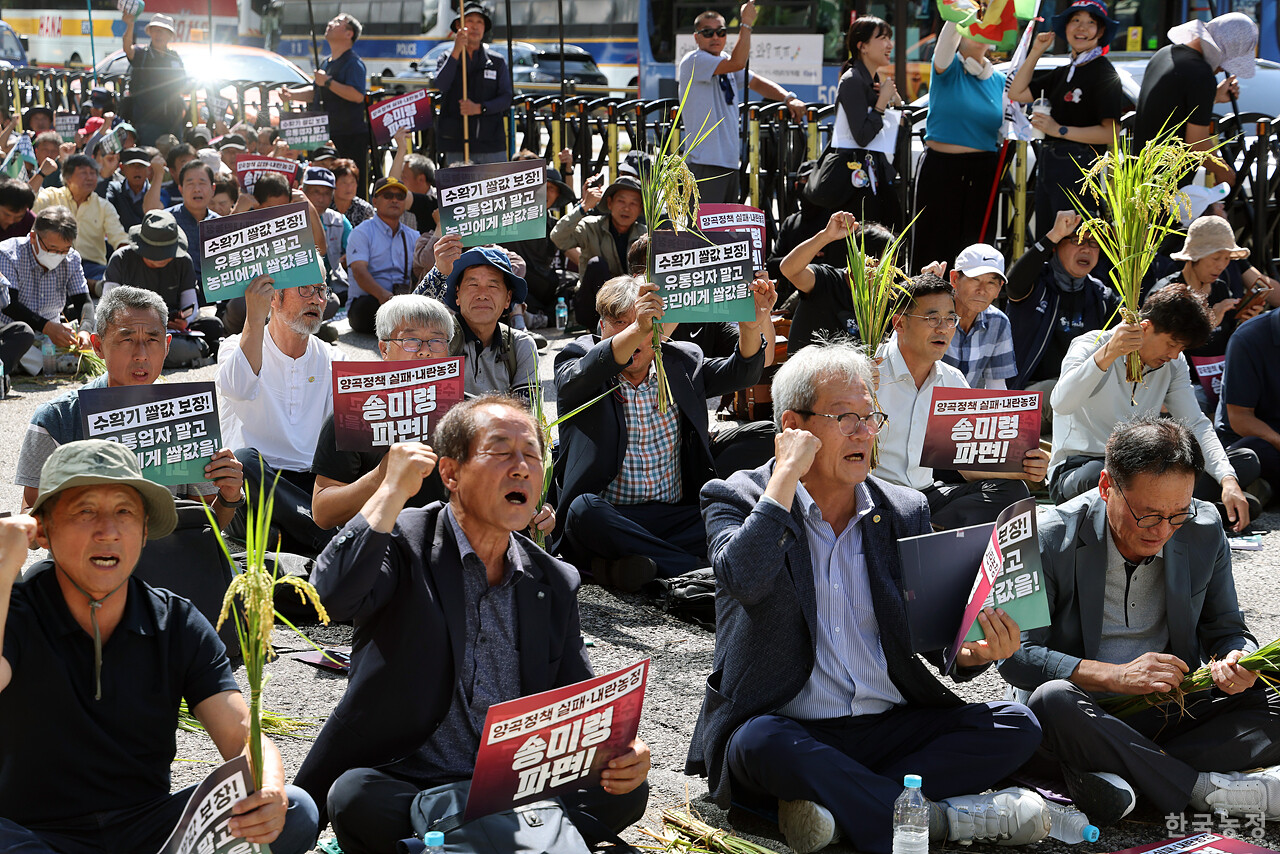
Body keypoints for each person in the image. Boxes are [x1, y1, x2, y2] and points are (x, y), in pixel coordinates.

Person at [687, 341, 1049, 854]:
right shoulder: (737, 496)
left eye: (870, 417)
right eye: (845, 418)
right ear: (794, 424)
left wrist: (971, 652)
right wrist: (785, 477)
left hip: (887, 726)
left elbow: (937, 641)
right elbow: (743, 580)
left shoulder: (902, 509)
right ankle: (939, 821)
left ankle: (841, 807)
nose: (864, 433)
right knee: (759, 741)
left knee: (1016, 723)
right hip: (788, 727)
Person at [294, 396, 651, 848]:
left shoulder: (553, 580)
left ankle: (454, 837)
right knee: (355, 796)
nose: (521, 467)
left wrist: (622, 753)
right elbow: (331, 596)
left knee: (626, 792)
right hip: (409, 779)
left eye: (532, 456)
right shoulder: (405, 538)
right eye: (500, 451)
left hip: (515, 785)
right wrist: (388, 490)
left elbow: (578, 699)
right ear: (450, 473)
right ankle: (505, 835)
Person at [0, 439, 317, 854]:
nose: (108, 531)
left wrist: (270, 789)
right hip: (35, 837)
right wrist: (5, 567)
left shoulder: (176, 622)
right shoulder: (15, 610)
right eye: (84, 511)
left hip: (150, 831)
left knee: (295, 809)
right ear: (43, 529)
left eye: (125, 512)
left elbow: (240, 735)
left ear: (146, 530)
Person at [1000, 416, 1280, 826]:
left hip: (1167, 706)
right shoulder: (1046, 535)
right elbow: (1015, 656)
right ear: (1106, 487)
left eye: (1177, 514)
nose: (1163, 530)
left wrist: (1238, 659)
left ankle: (1120, 776)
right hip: (1082, 712)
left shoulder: (1203, 528)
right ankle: (1203, 790)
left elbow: (1226, 629)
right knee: (1050, 699)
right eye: (1148, 516)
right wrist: (1116, 676)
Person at [553, 276, 771, 588]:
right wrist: (638, 327)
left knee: (744, 492)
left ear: (659, 326)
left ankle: (639, 566)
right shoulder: (576, 357)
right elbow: (580, 375)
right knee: (583, 511)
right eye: (619, 323)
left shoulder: (680, 360)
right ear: (602, 327)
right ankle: (698, 569)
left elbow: (742, 372)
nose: (635, 332)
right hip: (613, 515)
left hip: (676, 515)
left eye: (643, 322)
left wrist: (751, 327)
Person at [14, 285, 245, 528]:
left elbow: (206, 524)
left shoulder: (187, 415)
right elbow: (30, 522)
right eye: (127, 339)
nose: (141, 355)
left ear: (167, 346)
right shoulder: (56, 419)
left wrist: (229, 496)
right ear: (98, 346)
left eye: (152, 340)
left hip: (167, 558)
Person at [1048, 285, 1258, 531]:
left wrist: (1228, 479)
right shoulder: (1090, 344)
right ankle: (1186, 512)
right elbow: (1061, 403)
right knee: (1104, 474)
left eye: (1181, 348)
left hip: (1145, 469)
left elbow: (1195, 423)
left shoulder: (1174, 363)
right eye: (1171, 344)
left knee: (1244, 461)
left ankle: (1166, 512)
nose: (1173, 354)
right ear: (1146, 327)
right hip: (1082, 470)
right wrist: (1108, 354)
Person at [875, 273, 1047, 530]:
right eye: (932, 318)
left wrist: (1027, 468)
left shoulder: (952, 379)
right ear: (899, 323)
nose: (943, 328)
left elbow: (968, 468)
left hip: (925, 497)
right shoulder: (868, 372)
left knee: (1012, 492)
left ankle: (927, 531)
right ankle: (920, 534)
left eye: (950, 319)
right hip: (877, 500)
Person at [216, 275, 341, 556]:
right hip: (252, 482)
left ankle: (285, 533)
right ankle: (325, 539)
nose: (317, 300)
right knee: (243, 460)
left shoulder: (334, 359)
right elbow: (237, 387)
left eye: (321, 290)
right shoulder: (234, 346)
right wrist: (254, 317)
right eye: (306, 287)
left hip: (308, 485)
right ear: (273, 297)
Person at [1009, 0, 1125, 230]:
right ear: (1066, 28)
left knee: (1072, 240)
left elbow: (1110, 132)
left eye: (1091, 23)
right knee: (1047, 238)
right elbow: (1017, 92)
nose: (1082, 28)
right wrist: (1036, 51)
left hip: (1081, 167)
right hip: (1050, 164)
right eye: (1076, 21)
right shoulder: (1063, 72)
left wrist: (1059, 130)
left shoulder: (1104, 72)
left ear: (1100, 32)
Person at [677, 3, 806, 205]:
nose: (715, 37)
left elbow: (755, 82)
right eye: (708, 33)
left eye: (720, 32)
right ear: (696, 37)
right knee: (703, 232)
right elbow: (738, 63)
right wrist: (746, 24)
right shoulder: (694, 60)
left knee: (725, 231)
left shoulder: (724, 61)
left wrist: (788, 98)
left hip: (728, 162)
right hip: (704, 162)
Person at [911, 19, 1006, 270]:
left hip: (983, 171)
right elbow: (946, 39)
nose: (979, 30)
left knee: (976, 250)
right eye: (973, 26)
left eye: (987, 26)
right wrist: (961, 11)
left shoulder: (999, 80)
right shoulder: (947, 66)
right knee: (932, 245)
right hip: (941, 168)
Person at [1004, 211, 1118, 405]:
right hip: (1030, 394)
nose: (1087, 249)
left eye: (1094, 244)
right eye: (1077, 241)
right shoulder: (1037, 283)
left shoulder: (1102, 297)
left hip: (1081, 392)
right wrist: (1053, 235)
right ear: (1056, 247)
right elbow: (1013, 285)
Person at [1133, 13, 1258, 186]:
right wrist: (1226, 173)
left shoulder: (1164, 54)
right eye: (1226, 61)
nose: (1222, 69)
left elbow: (1170, 107)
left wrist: (1212, 96)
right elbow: (1197, 144)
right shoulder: (1201, 74)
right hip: (1168, 184)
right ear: (1220, 50)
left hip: (1140, 178)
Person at [808, 16, 902, 228]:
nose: (889, 44)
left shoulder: (872, 82)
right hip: (854, 180)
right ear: (863, 46)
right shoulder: (852, 80)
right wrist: (881, 104)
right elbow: (862, 136)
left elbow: (891, 134)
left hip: (871, 175)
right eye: (883, 38)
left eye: (890, 38)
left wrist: (895, 102)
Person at [103, 210, 227, 366]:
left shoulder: (183, 261)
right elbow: (106, 309)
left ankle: (177, 352)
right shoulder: (121, 259)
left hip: (171, 328)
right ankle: (191, 352)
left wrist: (185, 320)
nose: (161, 258)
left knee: (213, 326)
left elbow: (191, 304)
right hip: (131, 329)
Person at [778, 212, 894, 353]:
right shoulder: (827, 280)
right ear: (864, 260)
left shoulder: (884, 303)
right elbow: (789, 270)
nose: (891, 271)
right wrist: (826, 236)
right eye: (887, 262)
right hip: (810, 371)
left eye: (893, 263)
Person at [436, 242, 539, 398]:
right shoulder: (436, 342)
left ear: (508, 298)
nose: (482, 294)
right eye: (473, 284)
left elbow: (525, 413)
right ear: (457, 295)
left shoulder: (521, 346)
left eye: (493, 286)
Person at [550, 175, 646, 332]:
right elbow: (558, 237)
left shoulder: (644, 234)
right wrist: (583, 207)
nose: (627, 208)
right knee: (596, 264)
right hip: (592, 308)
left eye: (633, 203)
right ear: (609, 203)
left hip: (630, 309)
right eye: (621, 201)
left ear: (640, 208)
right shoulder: (591, 226)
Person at [280, 15, 369, 177]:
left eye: (337, 23)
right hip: (324, 135)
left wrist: (328, 82)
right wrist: (291, 95)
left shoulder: (353, 63)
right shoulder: (326, 62)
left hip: (347, 137)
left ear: (349, 34)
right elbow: (317, 92)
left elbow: (357, 95)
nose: (330, 24)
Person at [0, 207, 92, 357]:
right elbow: (10, 305)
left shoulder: (72, 259)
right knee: (23, 345)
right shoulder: (8, 254)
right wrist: (47, 327)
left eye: (64, 250)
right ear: (33, 237)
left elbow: (84, 301)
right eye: (52, 248)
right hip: (10, 330)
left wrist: (85, 330)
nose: (58, 255)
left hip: (51, 333)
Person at [434, 3, 513, 166]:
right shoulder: (447, 57)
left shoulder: (496, 61)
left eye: (480, 22)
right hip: (456, 144)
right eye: (470, 21)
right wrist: (456, 51)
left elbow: (506, 98)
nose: (475, 27)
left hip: (491, 145)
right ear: (458, 26)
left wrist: (479, 108)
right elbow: (441, 84)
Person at [33, 153, 130, 282]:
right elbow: (25, 203)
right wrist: (41, 174)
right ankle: (89, 286)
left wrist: (127, 261)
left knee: (112, 281)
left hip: (92, 267)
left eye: (93, 173)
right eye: (83, 173)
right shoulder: (51, 196)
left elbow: (119, 237)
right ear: (68, 178)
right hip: (55, 261)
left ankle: (87, 285)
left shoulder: (104, 206)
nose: (90, 178)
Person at [1216, 306, 1280, 498]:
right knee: (1252, 452)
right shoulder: (1248, 339)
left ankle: (1265, 490)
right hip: (1257, 438)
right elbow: (1240, 419)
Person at [346, 176, 420, 335]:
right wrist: (383, 296)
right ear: (375, 201)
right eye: (388, 195)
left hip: (403, 301)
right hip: (371, 301)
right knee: (368, 308)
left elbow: (421, 271)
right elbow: (359, 272)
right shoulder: (361, 232)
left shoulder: (414, 236)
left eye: (400, 196)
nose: (394, 200)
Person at [943, 244, 1018, 389]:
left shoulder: (998, 322)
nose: (982, 290)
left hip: (966, 410)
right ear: (954, 279)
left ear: (999, 289)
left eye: (991, 282)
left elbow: (996, 387)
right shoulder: (931, 315)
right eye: (975, 279)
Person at [120, 10, 187, 146]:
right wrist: (130, 25)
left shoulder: (174, 57)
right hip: (147, 122)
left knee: (174, 159)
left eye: (162, 31)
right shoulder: (141, 54)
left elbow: (183, 85)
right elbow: (127, 48)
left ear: (170, 35)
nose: (158, 35)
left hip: (172, 121)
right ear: (150, 33)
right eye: (155, 30)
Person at [301, 166, 351, 297]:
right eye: (316, 192)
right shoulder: (288, 220)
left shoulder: (338, 220)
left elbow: (355, 250)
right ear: (302, 192)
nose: (321, 198)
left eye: (327, 193)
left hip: (331, 288)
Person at [165, 159, 219, 277]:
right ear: (181, 189)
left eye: (202, 183)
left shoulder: (221, 224)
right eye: (190, 184)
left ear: (212, 189)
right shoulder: (166, 221)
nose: (197, 189)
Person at [105, 147, 154, 230]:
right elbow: (103, 205)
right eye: (131, 165)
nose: (137, 170)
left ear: (148, 169)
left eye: (141, 166)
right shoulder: (113, 189)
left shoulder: (154, 194)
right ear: (122, 168)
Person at [330, 158, 374, 227]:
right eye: (344, 183)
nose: (349, 187)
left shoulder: (365, 209)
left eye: (352, 182)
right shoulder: (324, 205)